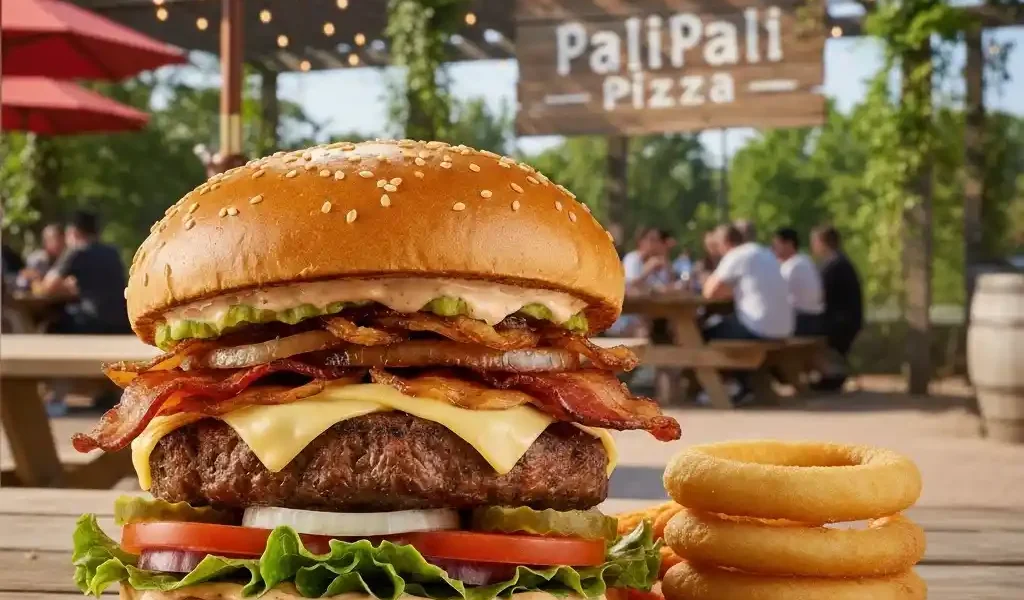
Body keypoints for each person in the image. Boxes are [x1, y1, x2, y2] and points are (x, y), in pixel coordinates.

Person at [39, 211, 130, 335]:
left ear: (73, 232)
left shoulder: (76, 251)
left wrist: (64, 288)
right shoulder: (113, 252)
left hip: (91, 321)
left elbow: (47, 287)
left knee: (51, 320)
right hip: (121, 322)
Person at [703, 223, 794, 341]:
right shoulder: (766, 253)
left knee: (703, 332)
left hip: (758, 330)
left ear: (725, 243)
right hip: (785, 330)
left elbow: (709, 292)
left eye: (718, 246)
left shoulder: (736, 254)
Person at [810, 225, 864, 390]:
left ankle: (832, 374)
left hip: (840, 323)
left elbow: (818, 294)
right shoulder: (840, 261)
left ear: (821, 242)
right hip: (848, 320)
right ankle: (832, 375)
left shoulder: (832, 265)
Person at [771, 227, 825, 336]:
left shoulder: (792, 266)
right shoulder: (805, 260)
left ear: (789, 244)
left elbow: (773, 295)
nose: (773, 249)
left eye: (777, 244)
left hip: (802, 322)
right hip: (816, 320)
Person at [17, 223, 65, 290]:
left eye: (60, 239)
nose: (57, 243)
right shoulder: (37, 260)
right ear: (45, 242)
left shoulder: (68, 258)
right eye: (52, 239)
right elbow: (22, 282)